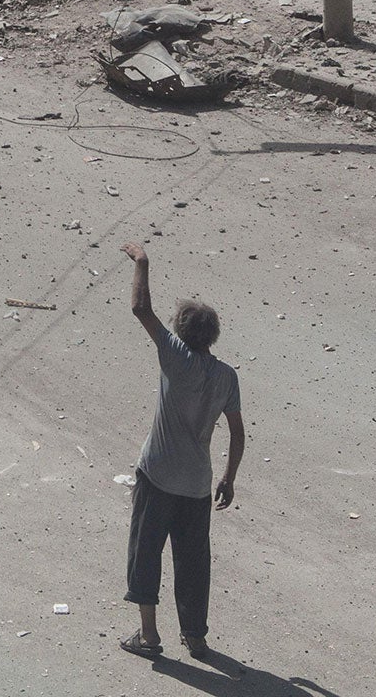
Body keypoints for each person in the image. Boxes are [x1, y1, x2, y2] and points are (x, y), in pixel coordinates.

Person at [120, 241, 243, 663]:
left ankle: (149, 635)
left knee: (145, 553)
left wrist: (142, 262)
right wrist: (229, 476)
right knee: (193, 564)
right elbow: (238, 432)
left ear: (182, 331)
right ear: (213, 335)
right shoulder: (226, 376)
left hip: (157, 478)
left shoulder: (174, 356)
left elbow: (140, 308)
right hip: (196, 486)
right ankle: (195, 637)